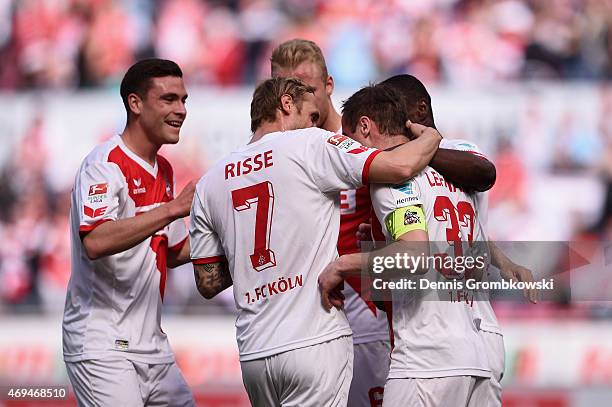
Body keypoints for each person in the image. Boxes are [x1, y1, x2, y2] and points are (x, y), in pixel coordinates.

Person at [269, 39, 498, 407]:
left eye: (307, 90)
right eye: (284, 93)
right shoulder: (285, 154)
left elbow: (478, 173)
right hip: (323, 321)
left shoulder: (372, 151)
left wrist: (425, 143)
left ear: (328, 86)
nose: (296, 102)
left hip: (385, 317)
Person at [189, 76, 442, 406]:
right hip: (313, 340)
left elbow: (207, 282)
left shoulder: (210, 182)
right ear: (287, 104)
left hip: (254, 352)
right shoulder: (310, 144)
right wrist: (433, 138)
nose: (317, 124)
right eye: (311, 116)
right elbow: (399, 165)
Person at [320, 83, 493, 406]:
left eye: (348, 139)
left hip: (426, 359)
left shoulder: (393, 177)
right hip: (476, 353)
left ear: (365, 127)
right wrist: (376, 256)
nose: (348, 151)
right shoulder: (454, 176)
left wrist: (343, 264)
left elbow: (415, 256)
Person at [62, 58, 196, 406]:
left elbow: (175, 251)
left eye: (183, 100)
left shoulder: (164, 169)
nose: (180, 110)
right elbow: (96, 240)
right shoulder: (105, 165)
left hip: (152, 345)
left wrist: (236, 239)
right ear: (135, 104)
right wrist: (171, 209)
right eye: (168, 99)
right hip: (103, 344)